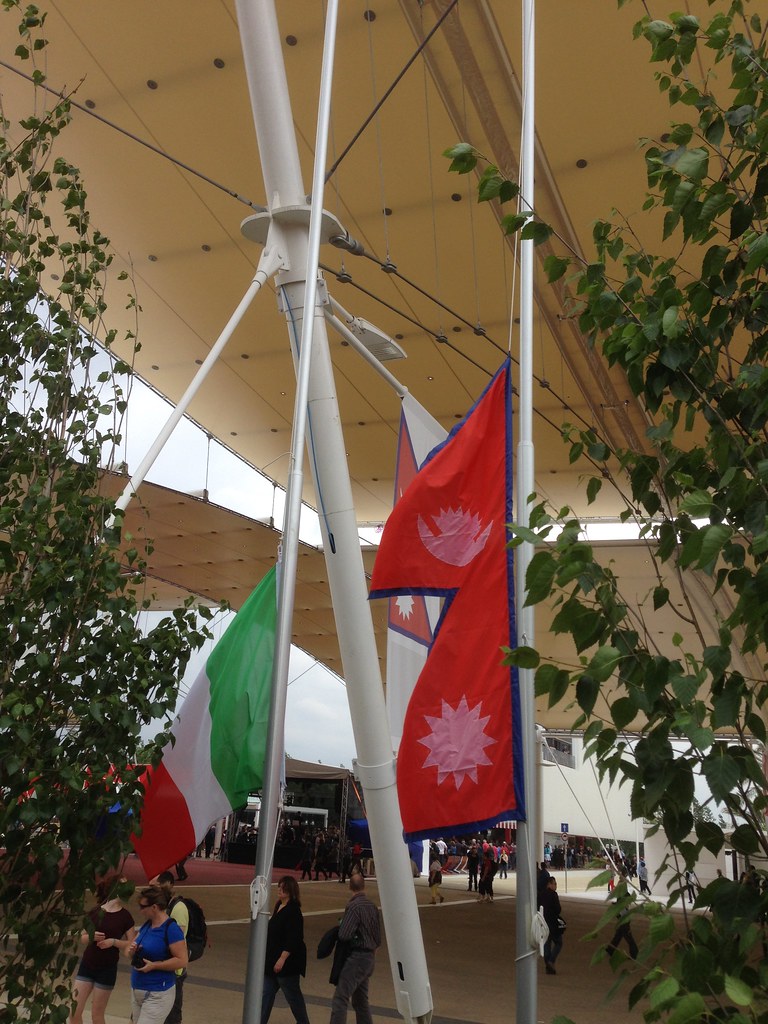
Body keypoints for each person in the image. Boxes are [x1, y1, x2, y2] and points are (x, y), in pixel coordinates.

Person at [70, 874, 135, 1024]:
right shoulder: (96, 911)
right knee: (74, 1012)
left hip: (107, 968)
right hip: (87, 964)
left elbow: (131, 943)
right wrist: (91, 937)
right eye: (122, 885)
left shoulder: (125, 916)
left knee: (97, 1015)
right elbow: (83, 937)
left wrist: (114, 942)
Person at [127, 884, 188, 1023]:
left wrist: (154, 965)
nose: (140, 910)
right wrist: (133, 952)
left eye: (143, 907)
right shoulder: (147, 925)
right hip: (138, 988)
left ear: (154, 907)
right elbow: (132, 950)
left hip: (158, 991)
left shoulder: (171, 929)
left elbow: (182, 960)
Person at [330, 870, 381, 1024]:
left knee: (341, 997)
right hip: (369, 956)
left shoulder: (353, 907)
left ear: (350, 887)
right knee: (360, 1000)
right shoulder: (372, 906)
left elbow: (344, 934)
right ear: (364, 886)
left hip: (357, 957)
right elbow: (377, 937)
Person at [261, 876, 309, 1024]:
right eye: (279, 887)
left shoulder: (293, 911)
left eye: (283, 888)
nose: (279, 890)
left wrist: (282, 959)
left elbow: (294, 939)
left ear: (290, 891)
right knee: (266, 995)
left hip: (287, 964)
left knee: (293, 997)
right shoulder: (278, 906)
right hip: (271, 961)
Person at [154, 872, 189, 1024]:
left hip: (174, 971)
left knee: (172, 1015)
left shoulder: (178, 908)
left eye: (153, 887)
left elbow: (178, 938)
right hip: (161, 967)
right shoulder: (160, 909)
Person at [540, 876, 563, 975]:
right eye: (554, 883)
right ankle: (551, 961)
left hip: (543, 922)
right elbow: (558, 909)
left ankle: (547, 964)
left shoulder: (541, 894)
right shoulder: (553, 895)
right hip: (553, 923)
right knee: (559, 943)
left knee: (546, 944)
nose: (555, 885)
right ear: (549, 884)